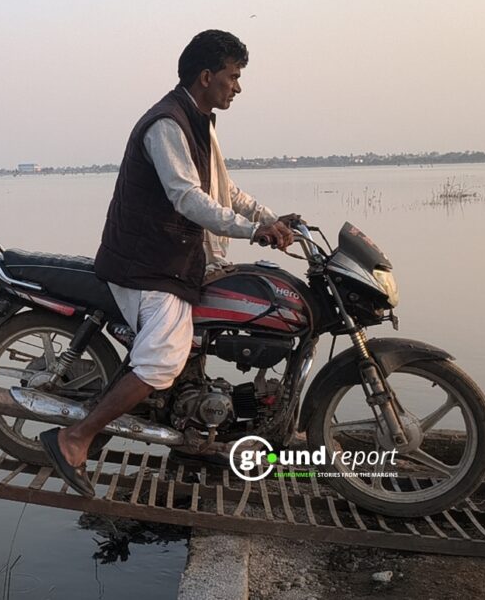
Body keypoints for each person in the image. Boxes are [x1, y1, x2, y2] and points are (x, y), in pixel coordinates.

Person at [39, 30, 299, 497]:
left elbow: (224, 192)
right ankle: (74, 438)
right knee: (162, 361)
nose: (237, 88)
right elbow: (186, 198)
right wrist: (250, 230)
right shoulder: (168, 124)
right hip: (148, 263)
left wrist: (269, 219)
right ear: (206, 76)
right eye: (232, 77)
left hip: (172, 259)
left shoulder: (200, 121)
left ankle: (196, 427)